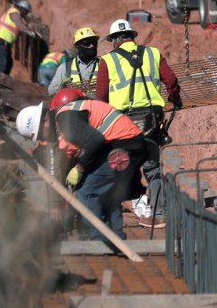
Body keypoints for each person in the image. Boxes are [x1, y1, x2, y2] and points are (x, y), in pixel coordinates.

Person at [16, 89, 147, 242]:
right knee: (104, 189)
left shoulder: (65, 122)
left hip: (125, 145)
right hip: (125, 143)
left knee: (87, 190)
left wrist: (80, 168)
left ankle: (100, 241)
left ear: (45, 120)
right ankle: (114, 237)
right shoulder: (63, 119)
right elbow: (59, 165)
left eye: (39, 134)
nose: (42, 139)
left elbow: (96, 140)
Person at [96, 19, 182, 225]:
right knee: (152, 168)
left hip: (121, 124)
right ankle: (160, 213)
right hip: (150, 120)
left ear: (115, 40)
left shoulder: (108, 61)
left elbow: (101, 96)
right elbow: (171, 80)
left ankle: (113, 213)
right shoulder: (153, 54)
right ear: (132, 37)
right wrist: (175, 98)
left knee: (119, 165)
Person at [49, 26, 101, 96]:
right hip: (74, 106)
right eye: (87, 43)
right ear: (77, 46)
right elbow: (51, 92)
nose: (92, 46)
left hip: (98, 105)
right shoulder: (65, 68)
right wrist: (62, 87)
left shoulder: (104, 64)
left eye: (94, 43)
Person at [0, 0, 32, 76]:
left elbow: (23, 24)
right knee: (3, 63)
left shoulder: (15, 13)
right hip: (2, 40)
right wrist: (29, 32)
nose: (26, 14)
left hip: (4, 41)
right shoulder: (14, 13)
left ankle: (4, 80)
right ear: (21, 8)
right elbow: (20, 25)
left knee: (9, 63)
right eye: (26, 12)